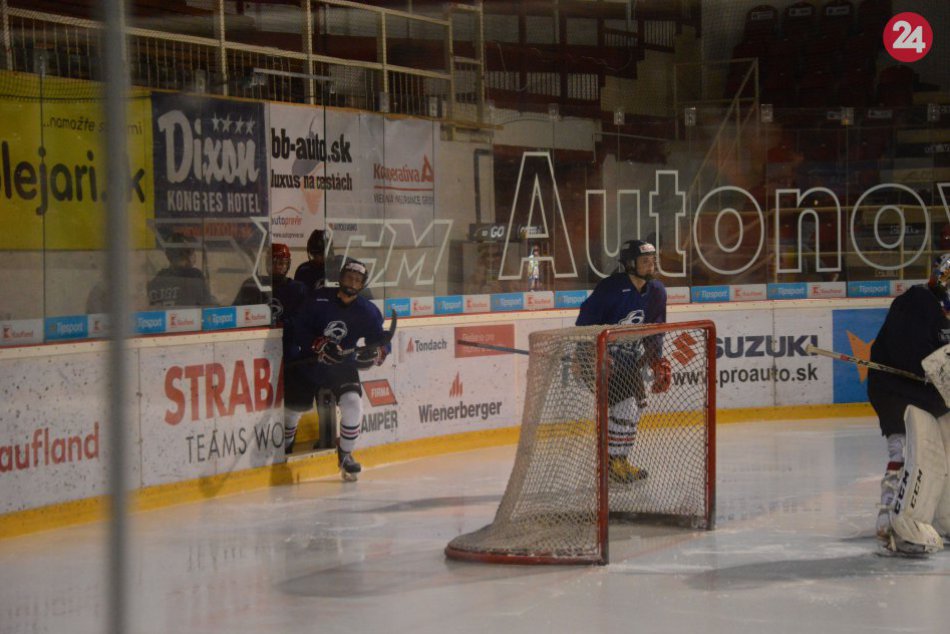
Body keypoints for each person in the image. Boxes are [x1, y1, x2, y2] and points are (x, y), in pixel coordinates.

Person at [868, 253, 950, 551]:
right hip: (896, 391)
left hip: (928, 395)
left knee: (944, 454)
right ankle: (892, 522)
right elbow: (911, 353)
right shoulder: (917, 302)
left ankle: (942, 518)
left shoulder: (943, 309)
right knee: (905, 452)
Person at [284, 259, 390, 480]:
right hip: (308, 363)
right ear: (340, 278)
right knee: (294, 410)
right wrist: (318, 344)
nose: (352, 282)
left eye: (357, 280)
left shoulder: (367, 311)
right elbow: (298, 327)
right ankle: (286, 442)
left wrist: (378, 352)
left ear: (362, 285)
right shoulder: (318, 298)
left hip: (342, 365)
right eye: (349, 277)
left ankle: (346, 454)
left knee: (353, 404)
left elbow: (380, 340)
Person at [575, 239, 671, 484]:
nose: (651, 266)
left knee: (636, 407)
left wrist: (656, 360)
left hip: (627, 360)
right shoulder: (610, 288)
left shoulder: (657, 291)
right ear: (630, 264)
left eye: (653, 261)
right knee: (626, 406)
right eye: (645, 262)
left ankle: (619, 461)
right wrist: (591, 352)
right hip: (597, 359)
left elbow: (654, 330)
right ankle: (611, 463)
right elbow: (584, 324)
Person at [232, 243, 308, 326]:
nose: (278, 267)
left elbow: (305, 320)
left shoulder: (299, 289)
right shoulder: (252, 285)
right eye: (273, 263)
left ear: (288, 264)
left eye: (282, 263)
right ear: (267, 264)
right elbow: (235, 314)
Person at [147, 233, 216, 308]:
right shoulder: (195, 276)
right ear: (189, 254)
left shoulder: (157, 280)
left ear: (168, 255)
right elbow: (207, 306)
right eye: (192, 251)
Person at [294, 229, 331, 294]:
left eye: (322, 254)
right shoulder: (303, 270)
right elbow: (298, 295)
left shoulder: (335, 269)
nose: (321, 257)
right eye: (317, 254)